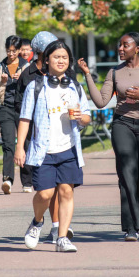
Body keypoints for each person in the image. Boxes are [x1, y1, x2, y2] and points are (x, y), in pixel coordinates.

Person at [78, 32, 139, 241]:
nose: (120, 49)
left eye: (125, 45)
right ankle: (131, 226)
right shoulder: (115, 72)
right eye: (119, 45)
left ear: (137, 48)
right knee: (127, 173)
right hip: (122, 124)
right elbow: (101, 102)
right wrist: (86, 75)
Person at [15, 40, 91, 253]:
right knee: (45, 194)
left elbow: (87, 116)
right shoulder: (36, 86)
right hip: (43, 150)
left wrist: (80, 118)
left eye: (64, 57)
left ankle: (62, 237)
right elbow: (25, 119)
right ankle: (37, 222)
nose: (60, 60)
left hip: (69, 149)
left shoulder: (75, 86)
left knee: (67, 192)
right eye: (56, 57)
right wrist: (20, 147)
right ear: (47, 60)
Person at [0, 35, 31, 194]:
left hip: (23, 109)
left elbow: (34, 88)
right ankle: (7, 179)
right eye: (8, 51)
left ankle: (27, 182)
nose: (11, 54)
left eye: (14, 51)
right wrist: (2, 83)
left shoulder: (27, 66)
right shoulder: (0, 67)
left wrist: (23, 79)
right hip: (6, 108)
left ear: (19, 50)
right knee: (8, 145)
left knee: (25, 144)